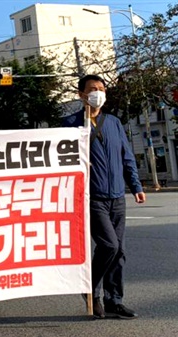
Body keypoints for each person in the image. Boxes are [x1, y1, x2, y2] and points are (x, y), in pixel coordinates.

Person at [62, 74, 146, 319]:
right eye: (92, 89)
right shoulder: (70, 124)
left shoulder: (114, 123)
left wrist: (136, 186)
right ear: (81, 94)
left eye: (101, 89)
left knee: (119, 251)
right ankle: (90, 290)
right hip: (92, 197)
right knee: (108, 245)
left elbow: (126, 157)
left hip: (117, 197)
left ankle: (114, 300)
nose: (97, 93)